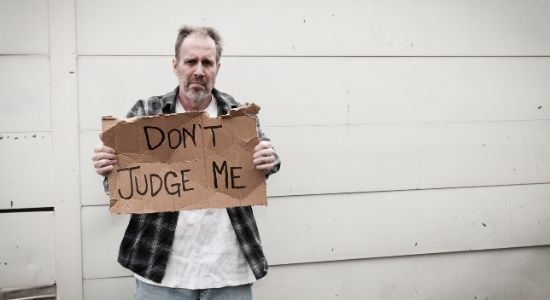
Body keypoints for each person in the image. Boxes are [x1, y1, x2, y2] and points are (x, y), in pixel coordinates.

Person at [91, 25, 281, 300]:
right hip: (162, 272)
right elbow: (121, 185)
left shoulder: (238, 114)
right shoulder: (147, 113)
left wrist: (269, 159)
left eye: (207, 62)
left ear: (217, 67)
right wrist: (107, 167)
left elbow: (268, 162)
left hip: (228, 272)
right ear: (176, 65)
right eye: (191, 61)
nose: (199, 71)